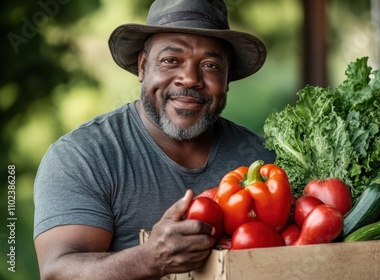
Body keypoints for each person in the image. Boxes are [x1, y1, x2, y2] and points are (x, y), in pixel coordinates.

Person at [33, 0, 275, 279]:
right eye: (171, 60)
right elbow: (57, 272)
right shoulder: (84, 156)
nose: (189, 79)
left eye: (210, 65)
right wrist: (149, 258)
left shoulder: (263, 161)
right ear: (143, 66)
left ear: (227, 78)